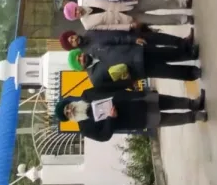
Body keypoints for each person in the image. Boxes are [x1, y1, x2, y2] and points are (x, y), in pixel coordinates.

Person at [54, 87, 207, 140]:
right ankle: (195, 117)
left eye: (67, 107)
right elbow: (103, 136)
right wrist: (111, 118)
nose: (70, 110)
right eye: (67, 113)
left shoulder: (87, 95)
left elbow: (108, 87)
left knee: (168, 101)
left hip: (134, 99)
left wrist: (128, 84)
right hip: (134, 118)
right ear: (69, 118)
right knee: (169, 119)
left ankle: (193, 104)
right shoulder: (85, 128)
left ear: (70, 103)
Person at [68, 42, 201, 84]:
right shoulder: (95, 78)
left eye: (79, 56)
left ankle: (189, 53)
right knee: (167, 71)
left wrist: (132, 40)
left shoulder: (95, 47)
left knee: (166, 52)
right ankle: (192, 73)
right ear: (81, 67)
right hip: (138, 69)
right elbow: (115, 86)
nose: (81, 58)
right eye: (79, 61)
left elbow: (115, 40)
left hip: (137, 51)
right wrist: (128, 80)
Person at [62, 0, 192, 28]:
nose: (78, 12)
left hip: (127, 3)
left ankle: (183, 3)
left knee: (158, 3)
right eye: (75, 14)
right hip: (127, 19)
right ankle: (185, 19)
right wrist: (128, 26)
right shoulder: (87, 24)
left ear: (75, 5)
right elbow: (108, 28)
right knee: (159, 20)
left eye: (75, 9)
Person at [59, 27, 197, 56]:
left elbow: (112, 33)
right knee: (162, 52)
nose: (73, 39)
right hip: (131, 51)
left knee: (158, 37)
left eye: (71, 37)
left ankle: (183, 43)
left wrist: (132, 37)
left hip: (130, 36)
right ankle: (186, 51)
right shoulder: (89, 53)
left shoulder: (89, 32)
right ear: (73, 47)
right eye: (71, 42)